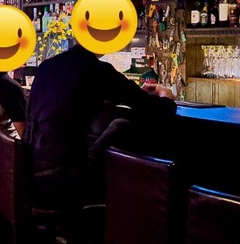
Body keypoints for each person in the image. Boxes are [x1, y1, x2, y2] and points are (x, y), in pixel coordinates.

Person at [24, 43, 177, 211]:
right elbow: (154, 109)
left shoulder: (46, 67)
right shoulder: (97, 70)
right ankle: (138, 210)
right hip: (63, 182)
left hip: (27, 178)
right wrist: (166, 97)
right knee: (121, 126)